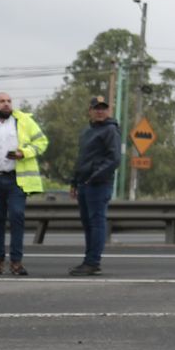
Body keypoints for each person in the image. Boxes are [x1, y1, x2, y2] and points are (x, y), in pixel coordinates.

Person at [0, 93, 48, 276]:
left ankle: (16, 263)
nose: (6, 104)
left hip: (16, 180)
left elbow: (42, 142)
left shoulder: (24, 121)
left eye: (8, 101)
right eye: (1, 101)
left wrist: (24, 152)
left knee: (16, 216)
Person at [67, 95, 121, 276]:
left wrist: (95, 176)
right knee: (88, 224)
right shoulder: (86, 132)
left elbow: (114, 159)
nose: (100, 111)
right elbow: (81, 159)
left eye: (103, 108)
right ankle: (88, 260)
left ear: (108, 110)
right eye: (96, 108)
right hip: (84, 183)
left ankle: (92, 261)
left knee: (97, 223)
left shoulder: (110, 130)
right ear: (89, 111)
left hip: (99, 184)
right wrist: (74, 181)